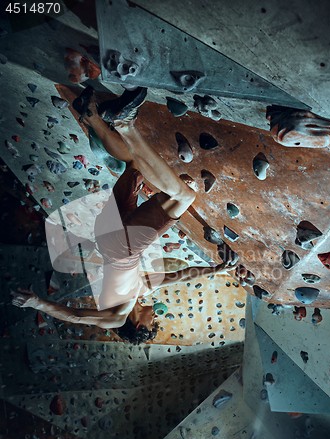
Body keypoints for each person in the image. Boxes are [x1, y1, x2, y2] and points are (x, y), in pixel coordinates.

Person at [12, 86, 235, 343]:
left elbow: (78, 317)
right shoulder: (140, 288)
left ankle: (125, 123)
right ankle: (92, 116)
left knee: (183, 196)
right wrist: (215, 270)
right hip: (105, 235)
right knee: (135, 166)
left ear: (139, 326)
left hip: (122, 249)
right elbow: (180, 276)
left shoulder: (119, 315)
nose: (157, 317)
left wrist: (38, 304)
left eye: (154, 324)